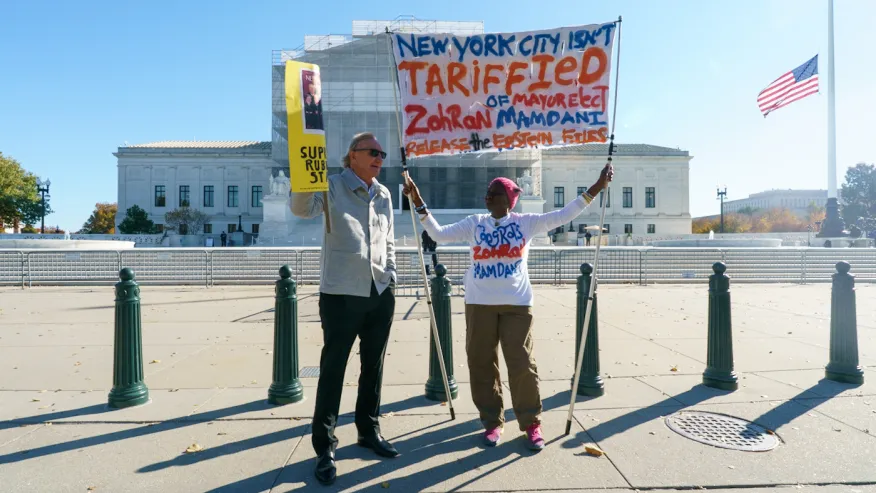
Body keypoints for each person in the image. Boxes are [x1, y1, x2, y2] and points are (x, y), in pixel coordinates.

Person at [403, 163, 613, 451]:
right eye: (488, 193)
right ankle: (492, 422)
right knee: (481, 365)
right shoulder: (474, 222)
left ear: (508, 200)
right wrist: (418, 202)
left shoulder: (525, 222)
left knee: (522, 365)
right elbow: (439, 234)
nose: (487, 197)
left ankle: (531, 423)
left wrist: (597, 187)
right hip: (479, 304)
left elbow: (564, 214)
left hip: (517, 305)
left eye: (494, 193)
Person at [290, 132, 398, 486]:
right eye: (372, 152)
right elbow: (301, 209)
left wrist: (391, 276)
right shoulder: (331, 185)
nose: (379, 157)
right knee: (333, 369)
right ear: (352, 155)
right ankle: (325, 447)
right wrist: (307, 177)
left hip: (379, 291)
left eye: (382, 153)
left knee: (374, 367)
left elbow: (389, 240)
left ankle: (369, 430)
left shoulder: (383, 193)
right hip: (341, 293)